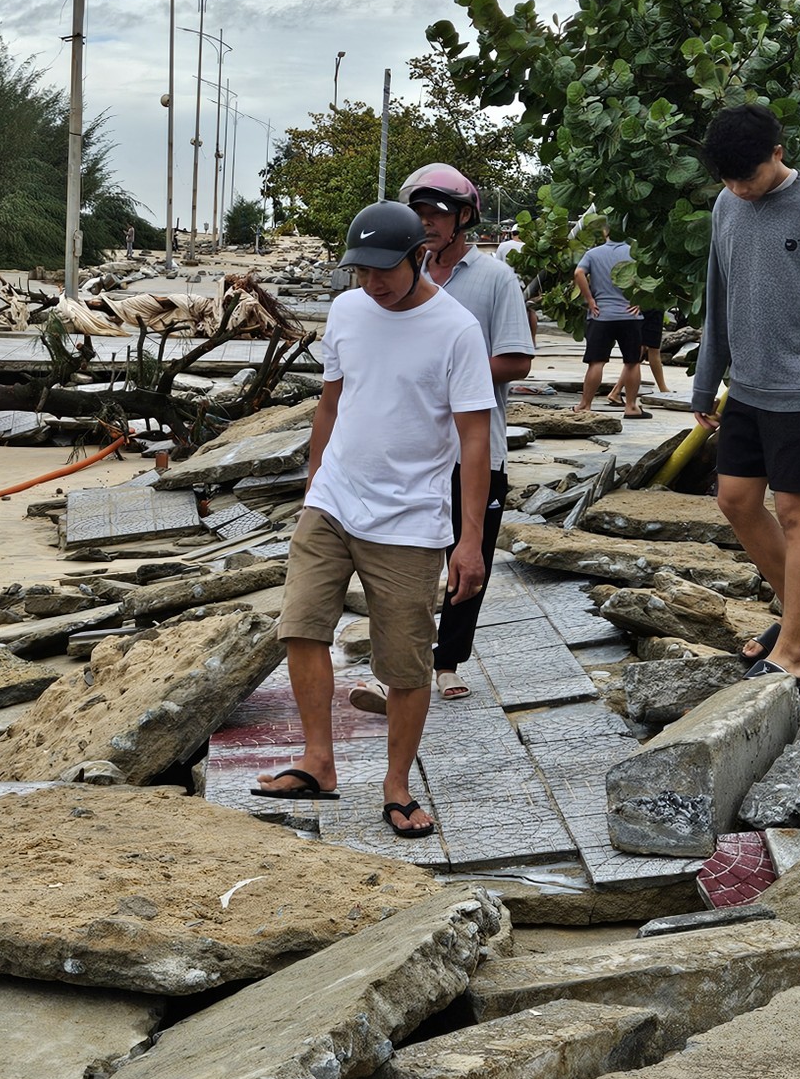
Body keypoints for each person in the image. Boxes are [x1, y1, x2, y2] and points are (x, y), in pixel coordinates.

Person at [251, 201, 495, 838]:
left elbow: (475, 440)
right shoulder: (347, 310)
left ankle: (396, 785)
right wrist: (313, 481)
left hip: (411, 520)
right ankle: (318, 762)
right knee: (301, 626)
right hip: (333, 498)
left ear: (421, 257)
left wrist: (469, 542)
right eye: (361, 269)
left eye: (385, 269)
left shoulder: (457, 330)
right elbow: (332, 401)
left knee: (406, 663)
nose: (372, 282)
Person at [693, 104, 800, 684]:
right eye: (728, 179)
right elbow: (718, 299)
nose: (739, 189)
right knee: (736, 501)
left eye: (748, 177)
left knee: (798, 516)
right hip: (745, 388)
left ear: (779, 152)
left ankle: (791, 649)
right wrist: (705, 380)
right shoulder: (726, 205)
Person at [345, 164, 534, 708]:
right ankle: (396, 666)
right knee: (399, 556)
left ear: (464, 219)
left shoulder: (495, 278)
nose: (426, 223)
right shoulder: (395, 272)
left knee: (467, 555)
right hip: (405, 447)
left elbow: (518, 360)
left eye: (437, 214)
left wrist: (452, 372)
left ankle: (447, 659)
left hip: (473, 444)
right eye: (418, 213)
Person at [573, 221, 648, 418]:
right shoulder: (634, 253)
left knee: (596, 362)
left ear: (605, 232)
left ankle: (584, 406)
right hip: (630, 315)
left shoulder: (593, 254)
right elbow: (649, 277)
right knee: (632, 362)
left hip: (601, 315)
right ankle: (631, 407)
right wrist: (639, 300)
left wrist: (590, 300)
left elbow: (578, 273)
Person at [608, 300, 669, 403]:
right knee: (648, 351)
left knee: (641, 350)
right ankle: (616, 391)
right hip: (650, 305)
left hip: (641, 306)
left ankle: (616, 391)